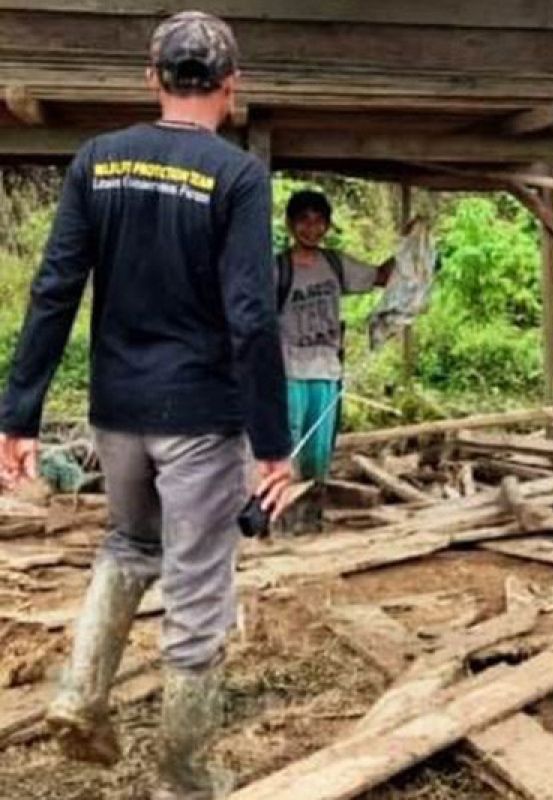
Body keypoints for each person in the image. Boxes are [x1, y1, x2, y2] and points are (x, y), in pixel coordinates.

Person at [0, 12, 291, 799]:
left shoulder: (99, 160)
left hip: (117, 411)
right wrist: (273, 441)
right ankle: (185, 778)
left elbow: (55, 287)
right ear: (232, 89)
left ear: (151, 80)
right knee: (199, 587)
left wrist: (17, 414)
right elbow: (251, 315)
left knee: (130, 543)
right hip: (200, 418)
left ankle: (80, 694)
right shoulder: (236, 176)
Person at [277, 189, 393, 532]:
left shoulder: (335, 264)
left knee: (319, 450)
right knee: (288, 446)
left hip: (327, 371)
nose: (311, 229)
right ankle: (283, 518)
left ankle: (311, 518)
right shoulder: (277, 269)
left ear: (327, 226)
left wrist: (414, 246)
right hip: (288, 371)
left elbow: (381, 277)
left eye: (318, 222)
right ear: (290, 224)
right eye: (303, 221)